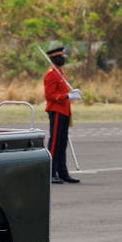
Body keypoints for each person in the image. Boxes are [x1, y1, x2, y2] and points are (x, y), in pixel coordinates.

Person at [44, 46, 82, 184]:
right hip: (56, 110)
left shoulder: (60, 73)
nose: (63, 59)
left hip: (65, 111)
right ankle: (51, 173)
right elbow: (49, 95)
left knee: (62, 142)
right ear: (55, 59)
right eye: (61, 57)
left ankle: (63, 172)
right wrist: (66, 96)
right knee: (54, 143)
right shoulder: (51, 74)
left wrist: (72, 94)